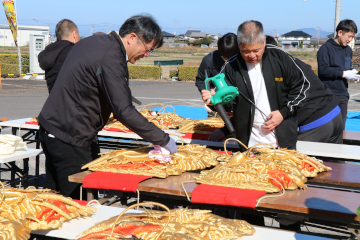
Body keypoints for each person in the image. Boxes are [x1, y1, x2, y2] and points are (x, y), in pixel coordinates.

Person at [38, 14, 177, 199]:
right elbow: (124, 110)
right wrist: (163, 139)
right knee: (78, 202)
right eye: (147, 49)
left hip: (51, 127)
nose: (146, 55)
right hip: (69, 135)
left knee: (52, 195)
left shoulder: (98, 41)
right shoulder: (111, 55)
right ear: (132, 38)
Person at [203, 20, 309, 150]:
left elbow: (303, 87)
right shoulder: (231, 66)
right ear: (238, 44)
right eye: (246, 51)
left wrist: (284, 113)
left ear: (264, 41)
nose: (252, 55)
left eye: (256, 50)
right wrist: (214, 101)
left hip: (282, 141)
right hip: (247, 142)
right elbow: (230, 104)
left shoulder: (281, 58)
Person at [266, 36, 343, 144]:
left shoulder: (273, 70)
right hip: (335, 113)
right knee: (332, 160)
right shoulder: (294, 61)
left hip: (316, 123)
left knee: (290, 159)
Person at [317, 19, 359, 129]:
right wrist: (344, 74)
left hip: (343, 94)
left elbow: (345, 68)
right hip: (328, 94)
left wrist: (353, 73)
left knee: (341, 127)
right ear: (340, 33)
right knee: (328, 128)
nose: (350, 40)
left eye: (352, 37)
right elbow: (323, 70)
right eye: (349, 36)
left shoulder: (348, 50)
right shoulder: (325, 49)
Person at [38, 19, 80, 93]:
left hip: (53, 101)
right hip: (73, 101)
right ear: (74, 34)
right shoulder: (75, 52)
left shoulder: (49, 52)